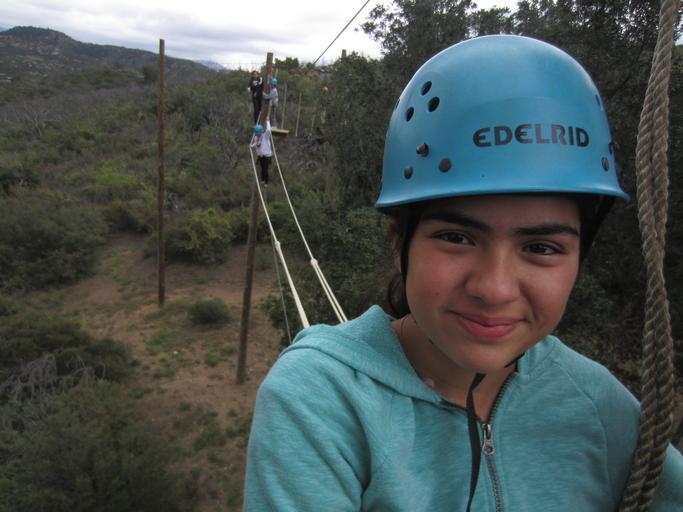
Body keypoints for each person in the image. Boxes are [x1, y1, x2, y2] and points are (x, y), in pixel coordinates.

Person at [244, 35, 683, 511]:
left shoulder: (601, 411)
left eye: (541, 248)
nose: (494, 289)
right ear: (399, 241)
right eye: (456, 237)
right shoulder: (322, 400)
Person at [249, 122, 272, 186]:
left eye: (257, 133)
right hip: (261, 156)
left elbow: (268, 130)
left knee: (265, 169)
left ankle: (266, 182)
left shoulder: (265, 136)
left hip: (267, 156)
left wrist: (268, 122)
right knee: (262, 169)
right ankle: (262, 180)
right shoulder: (256, 137)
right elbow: (255, 143)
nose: (257, 135)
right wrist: (251, 145)